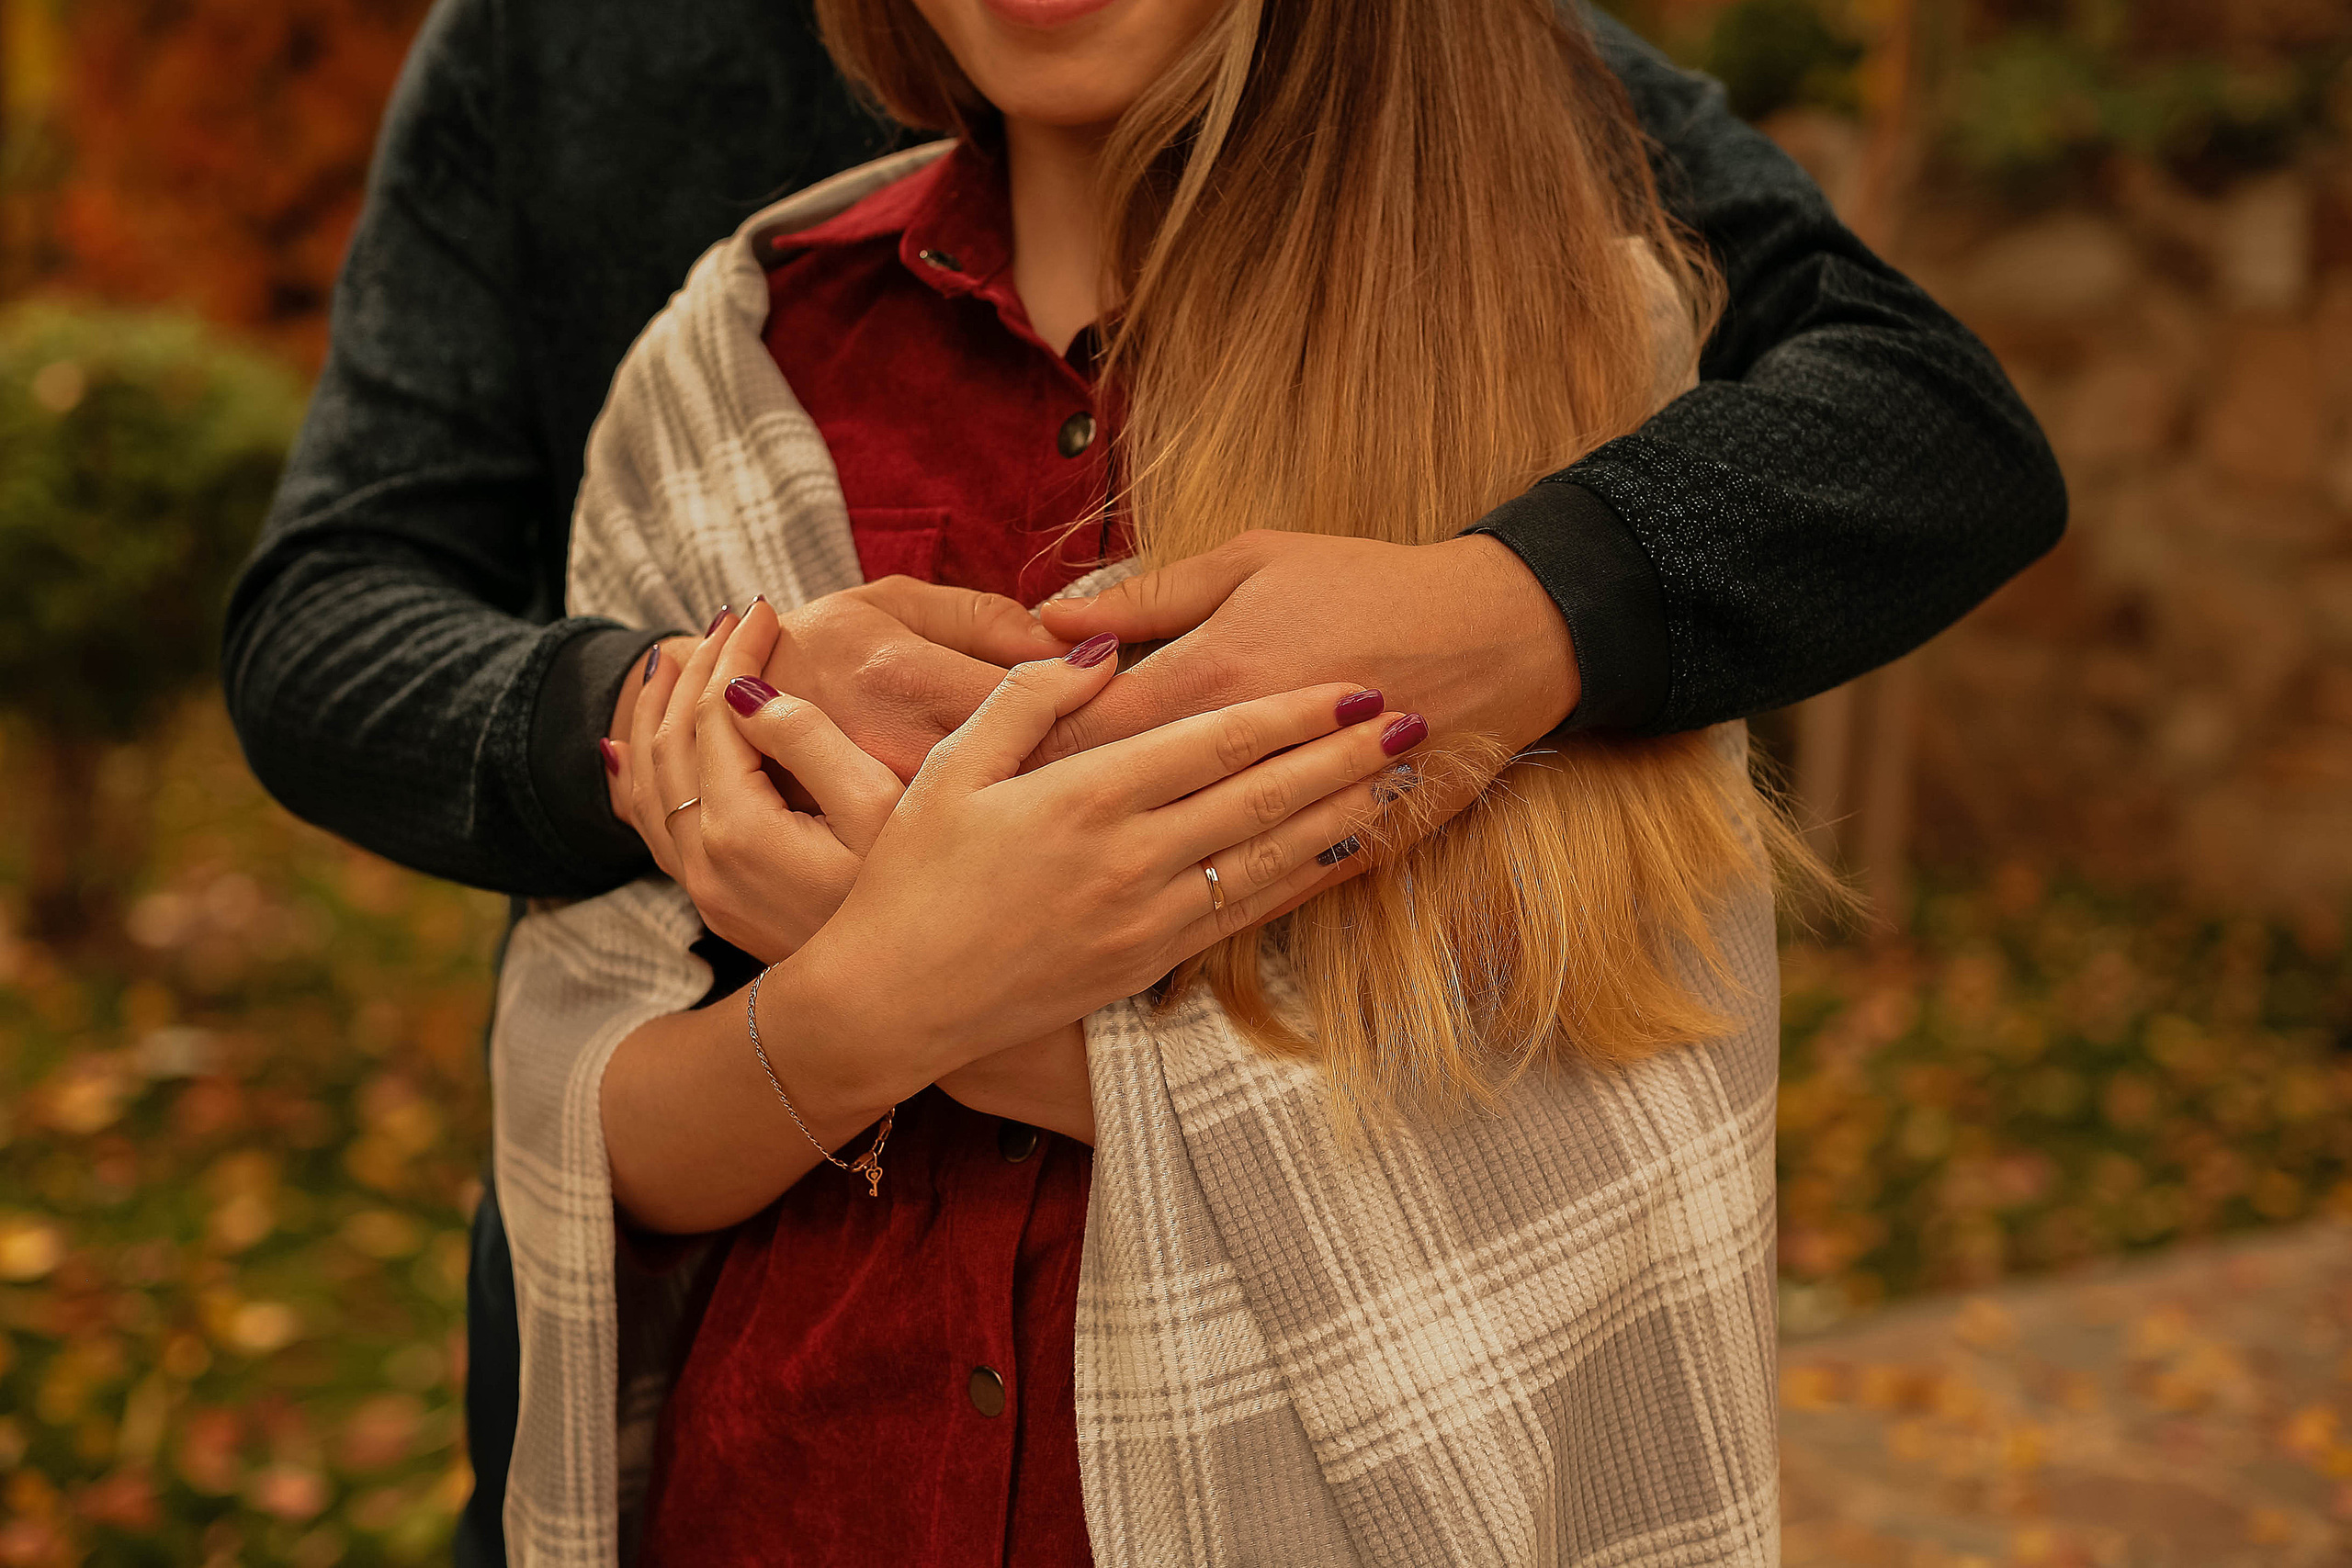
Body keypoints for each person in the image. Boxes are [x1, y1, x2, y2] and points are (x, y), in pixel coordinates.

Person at [220, 0, 2065, 1559]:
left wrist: (1504, 614)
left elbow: (1594, 1098)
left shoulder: (1537, 336)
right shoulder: (713, 341)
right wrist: (671, 727)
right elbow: (560, 1049)